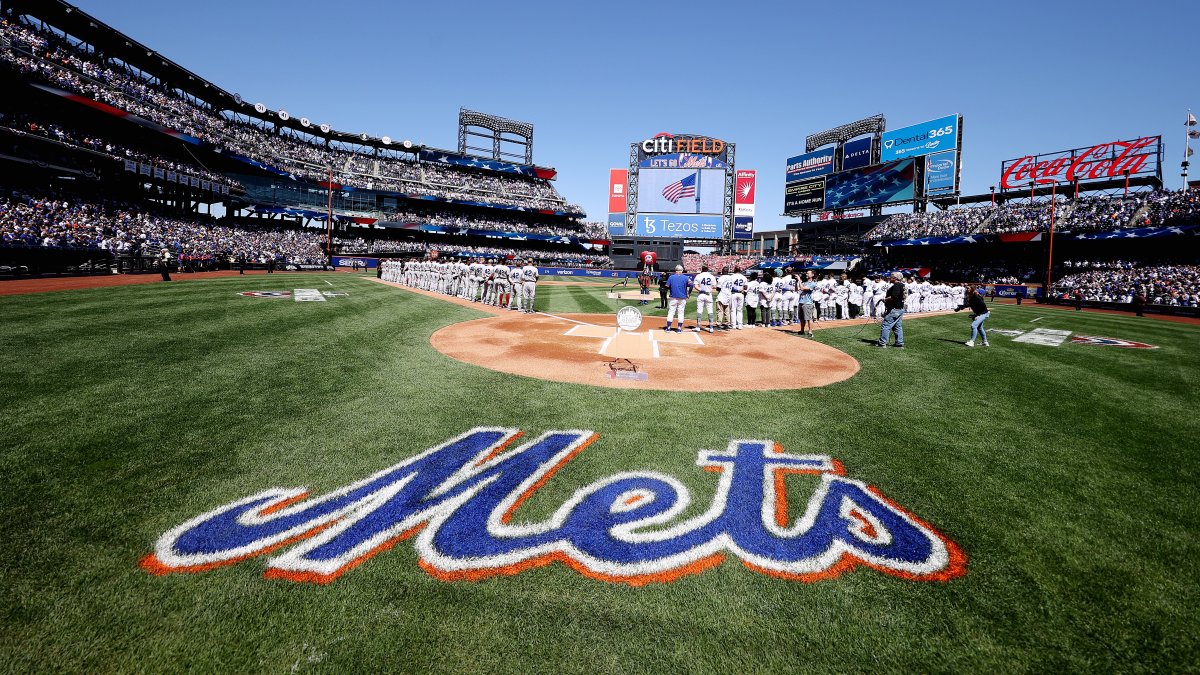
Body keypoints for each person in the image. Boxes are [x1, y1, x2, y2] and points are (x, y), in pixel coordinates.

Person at [876, 271, 906, 348]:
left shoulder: (896, 285)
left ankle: (882, 343)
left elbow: (894, 297)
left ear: (895, 278)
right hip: (900, 308)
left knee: (886, 325)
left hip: (894, 309)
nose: (889, 277)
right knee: (897, 326)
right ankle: (899, 343)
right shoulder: (902, 285)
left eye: (891, 276)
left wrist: (885, 299)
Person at [664, 264, 693, 333]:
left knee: (671, 312)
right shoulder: (686, 277)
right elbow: (691, 285)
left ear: (675, 270)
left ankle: (668, 327)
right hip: (682, 297)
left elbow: (667, 286)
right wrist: (689, 293)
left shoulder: (671, 277)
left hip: (673, 297)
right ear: (682, 270)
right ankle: (679, 328)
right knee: (681, 312)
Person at [692, 265, 717, 332]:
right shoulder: (711, 276)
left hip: (701, 294)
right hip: (709, 294)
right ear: (708, 269)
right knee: (710, 311)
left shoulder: (698, 276)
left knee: (699, 310)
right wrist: (709, 288)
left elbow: (696, 286)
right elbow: (714, 286)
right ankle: (711, 327)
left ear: (701, 269)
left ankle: (698, 326)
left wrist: (702, 290)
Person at [798, 271, 816, 337]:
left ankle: (810, 332)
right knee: (801, 318)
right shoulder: (804, 283)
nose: (807, 274)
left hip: (808, 302)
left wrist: (799, 280)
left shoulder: (813, 283)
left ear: (812, 275)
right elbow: (797, 289)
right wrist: (796, 282)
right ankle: (802, 330)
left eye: (808, 273)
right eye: (806, 273)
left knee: (808, 318)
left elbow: (802, 288)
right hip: (801, 301)